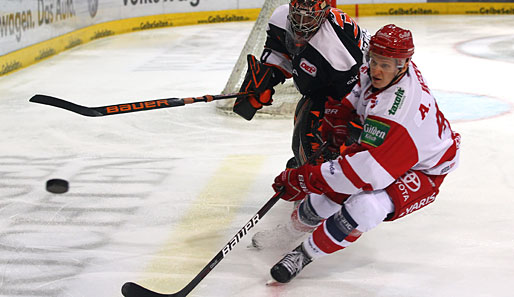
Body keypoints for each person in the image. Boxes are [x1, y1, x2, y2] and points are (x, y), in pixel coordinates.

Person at [263, 24, 461, 283]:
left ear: (402, 65)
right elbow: (360, 88)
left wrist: (303, 178)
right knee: (328, 196)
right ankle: (287, 232)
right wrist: (340, 116)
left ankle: (303, 254)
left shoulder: (398, 114)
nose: (376, 69)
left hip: (426, 168)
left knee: (365, 206)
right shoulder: (385, 68)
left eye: (385, 65)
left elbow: (363, 175)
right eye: (374, 60)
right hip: (393, 151)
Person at [233, 0, 370, 167]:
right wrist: (267, 79)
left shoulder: (335, 49)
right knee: (306, 117)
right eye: (298, 15)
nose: (301, 24)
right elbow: (278, 52)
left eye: (309, 18)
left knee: (316, 122)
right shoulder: (281, 18)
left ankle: (333, 170)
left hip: (364, 88)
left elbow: (357, 92)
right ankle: (310, 166)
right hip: (327, 81)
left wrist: (339, 124)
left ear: (324, 15)